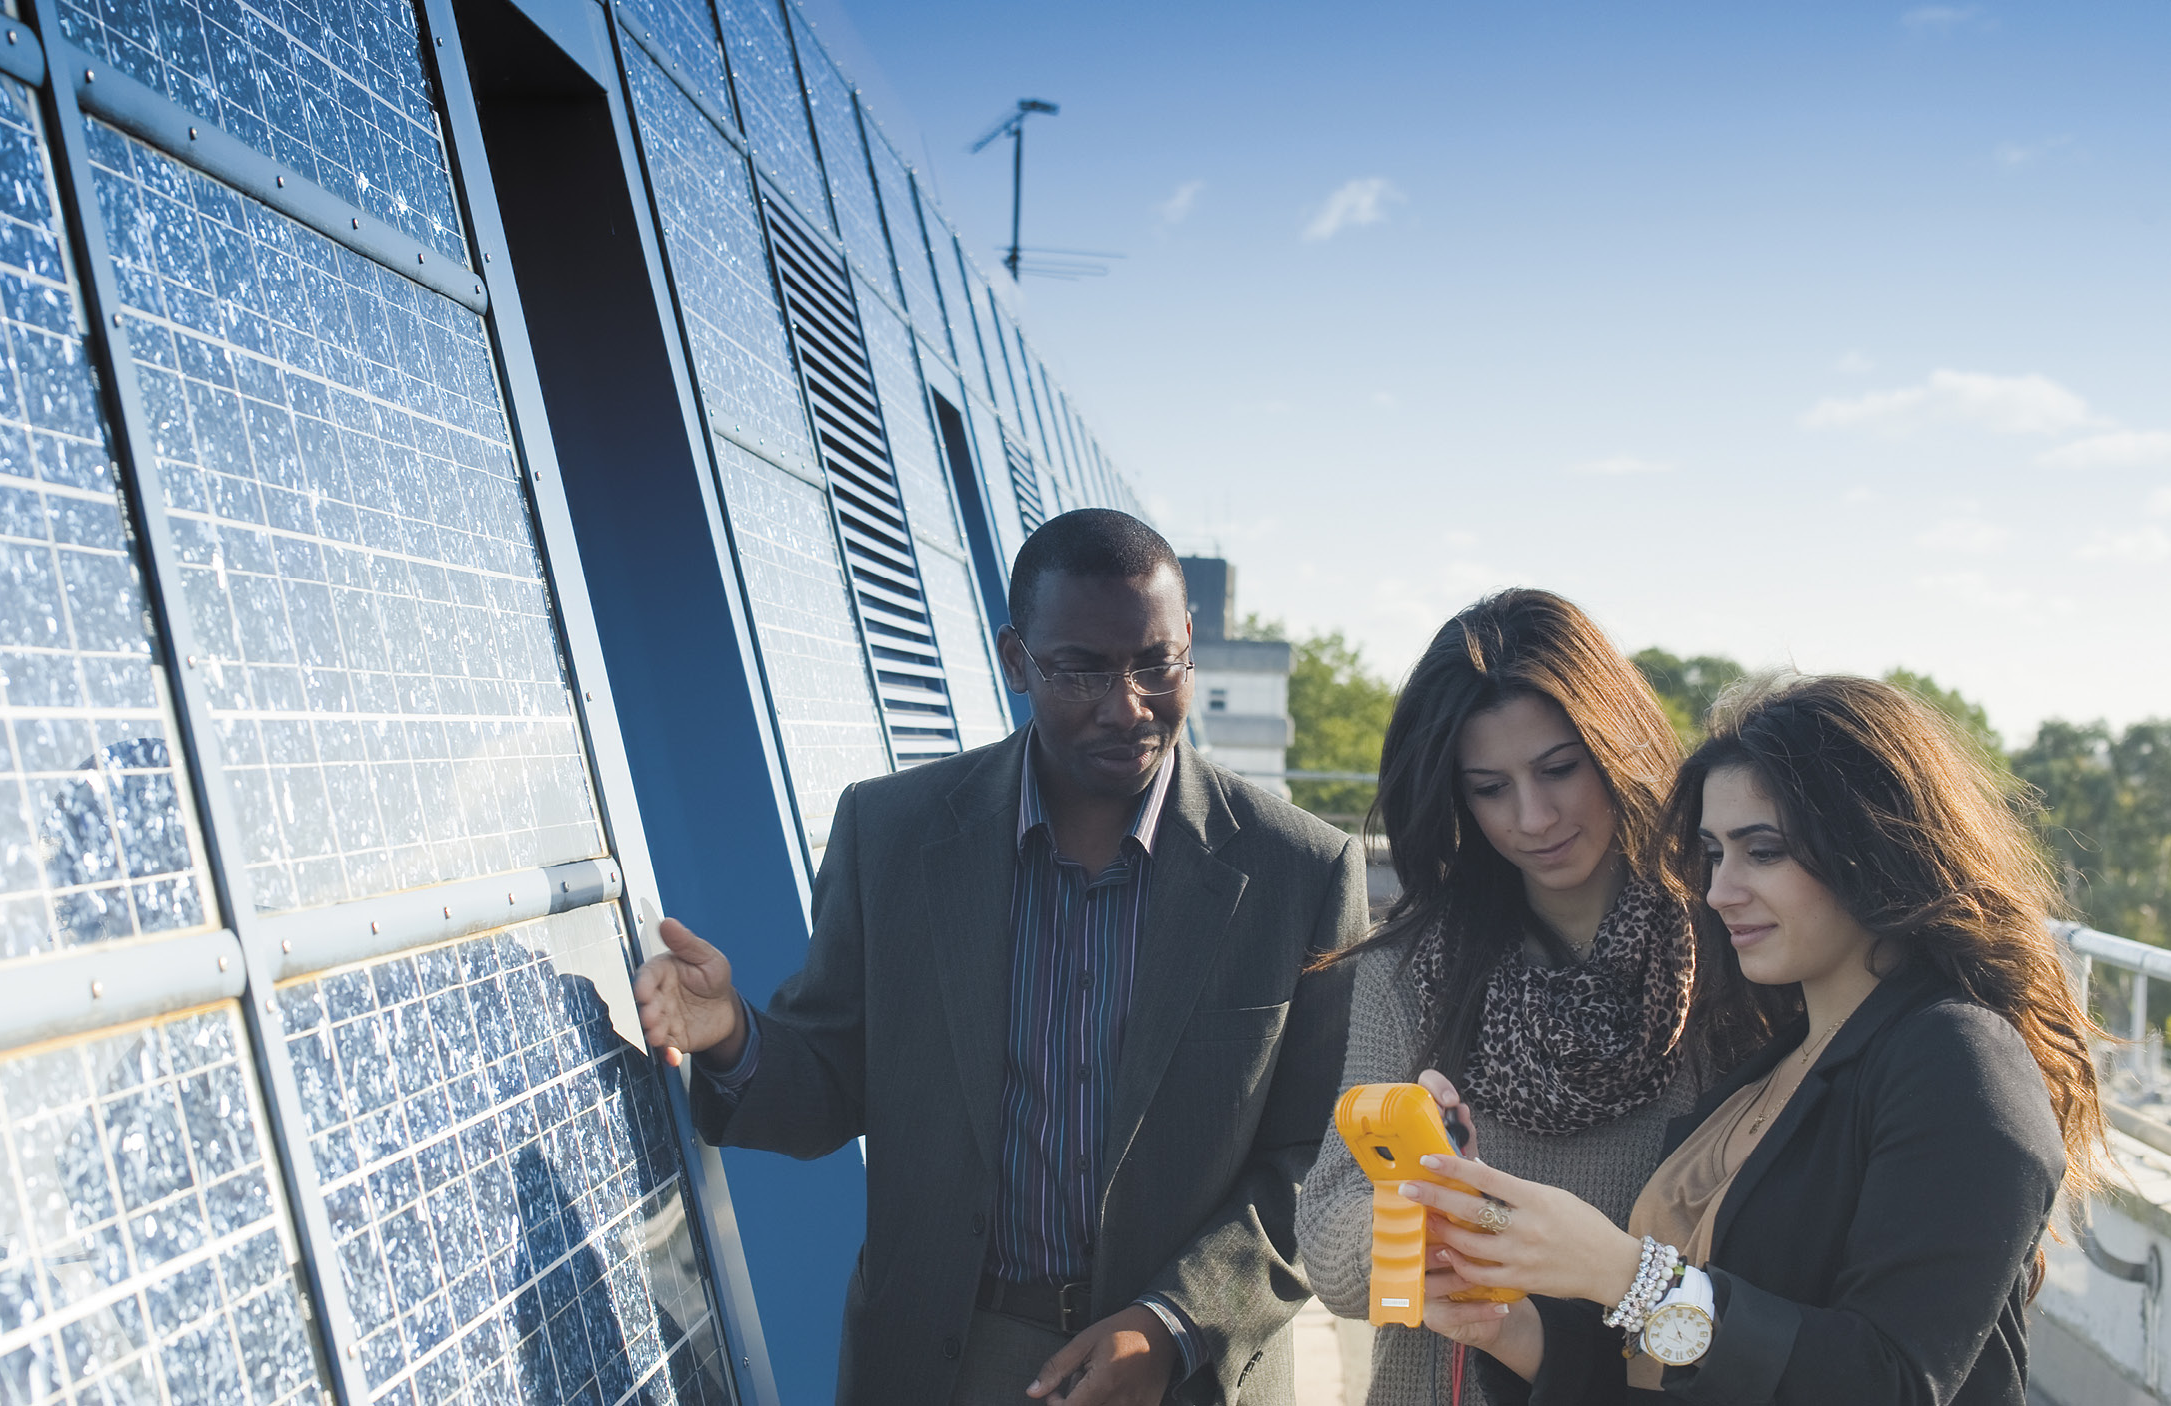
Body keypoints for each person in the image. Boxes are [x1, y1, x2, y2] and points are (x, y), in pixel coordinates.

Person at [633, 509, 1369, 1406]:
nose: (1127, 703)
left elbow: (1318, 1159)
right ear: (1016, 660)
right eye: (1082, 670)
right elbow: (832, 1081)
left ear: (1188, 648)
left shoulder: (1300, 871)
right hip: (940, 1362)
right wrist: (735, 1034)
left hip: (1184, 1375)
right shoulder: (891, 835)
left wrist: (1174, 1325)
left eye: (1155, 664)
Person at [1411, 674, 2101, 1405]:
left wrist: (1624, 1273)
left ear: (1871, 848)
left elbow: (1891, 1382)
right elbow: (1676, 1366)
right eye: (1713, 854)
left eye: (1762, 851)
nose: (1719, 890)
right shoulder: (1772, 1067)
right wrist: (1509, 1320)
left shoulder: (1959, 1061)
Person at [1296, 590, 1759, 1406]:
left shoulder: (1729, 947)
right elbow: (1332, 1253)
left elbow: (1760, 1265)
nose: (1533, 817)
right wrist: (1435, 1197)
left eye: (1558, 770)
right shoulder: (1415, 966)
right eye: (1489, 787)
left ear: (1617, 747)